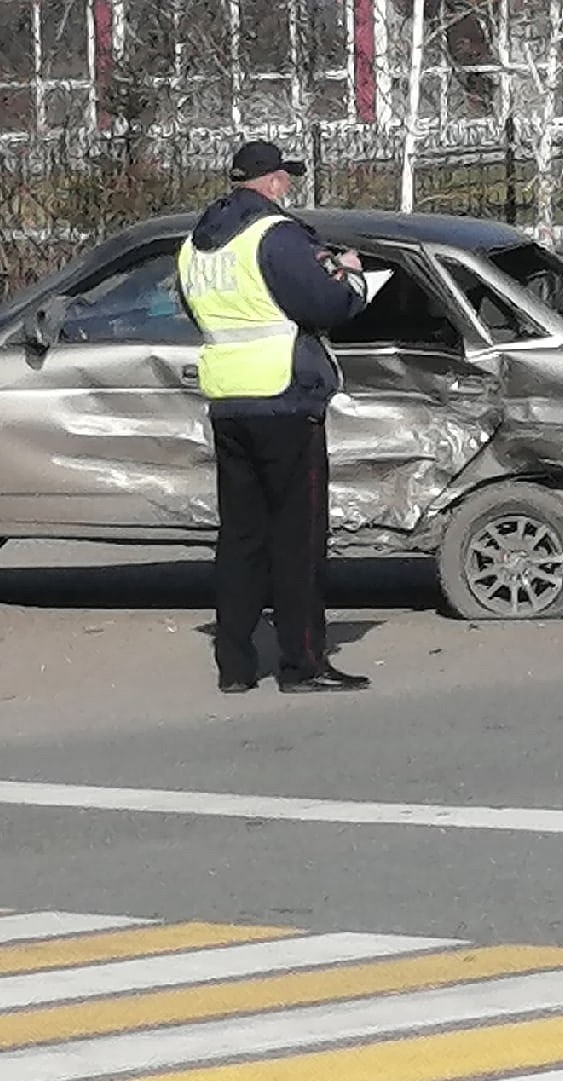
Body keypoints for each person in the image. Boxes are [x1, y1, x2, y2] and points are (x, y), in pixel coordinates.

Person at [177, 140, 372, 695]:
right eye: (285, 176)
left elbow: (195, 309)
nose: (289, 185)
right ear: (271, 182)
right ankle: (302, 664)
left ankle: (235, 667)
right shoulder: (276, 235)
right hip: (284, 399)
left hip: (228, 400)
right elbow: (325, 305)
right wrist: (350, 278)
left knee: (240, 537)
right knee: (298, 540)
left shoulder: (197, 243)